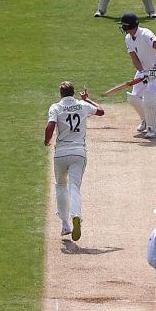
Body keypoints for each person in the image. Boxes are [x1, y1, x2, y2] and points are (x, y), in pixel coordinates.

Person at [44, 82, 105, 240]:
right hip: (79, 152)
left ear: (61, 94)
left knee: (60, 186)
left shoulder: (56, 107)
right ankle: (76, 215)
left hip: (61, 152)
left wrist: (46, 141)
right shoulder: (82, 105)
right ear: (73, 93)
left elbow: (50, 125)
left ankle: (65, 224)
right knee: (74, 187)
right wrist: (88, 99)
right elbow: (100, 111)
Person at [120, 13, 156, 139]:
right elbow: (134, 57)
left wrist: (155, 68)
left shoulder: (146, 34)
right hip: (145, 70)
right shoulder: (128, 39)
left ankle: (153, 129)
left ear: (128, 26)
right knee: (133, 97)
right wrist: (141, 71)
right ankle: (146, 120)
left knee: (150, 95)